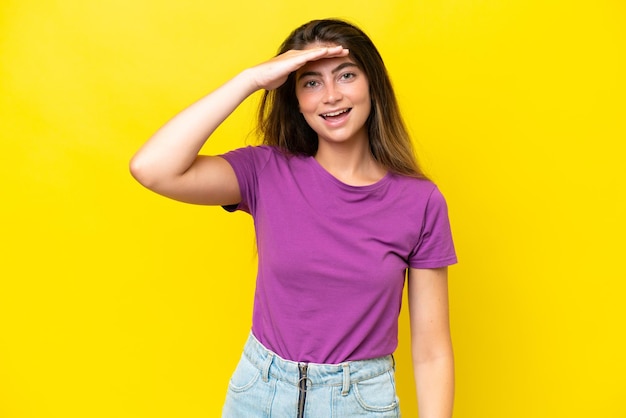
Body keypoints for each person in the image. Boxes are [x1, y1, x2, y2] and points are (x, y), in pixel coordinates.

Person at [130, 18, 457, 418]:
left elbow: (431, 351)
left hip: (359, 402)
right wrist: (250, 79)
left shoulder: (420, 201)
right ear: (296, 99)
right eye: (311, 82)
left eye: (346, 75)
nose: (331, 96)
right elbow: (152, 168)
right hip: (258, 393)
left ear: (373, 85)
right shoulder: (266, 171)